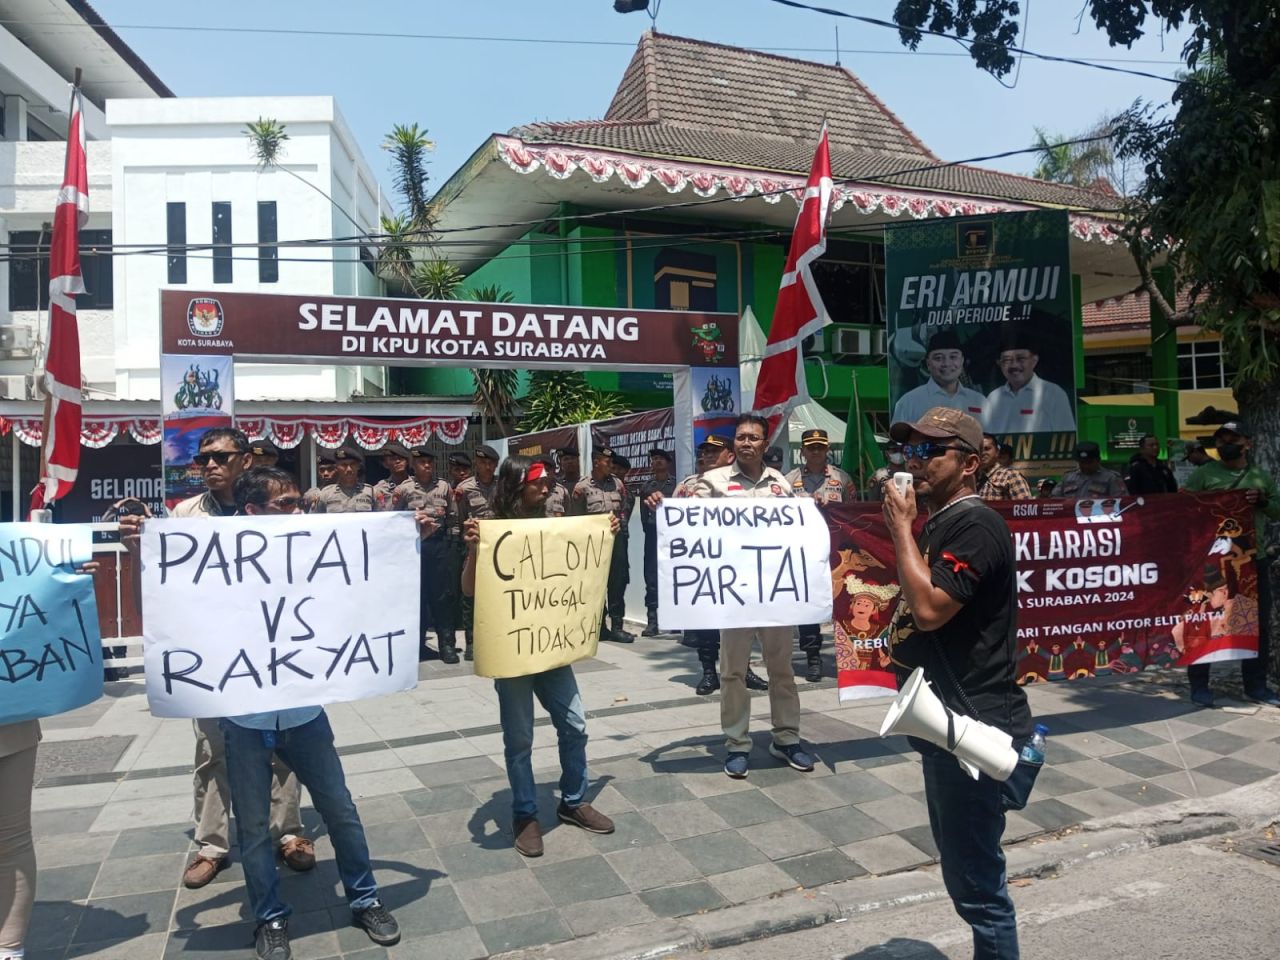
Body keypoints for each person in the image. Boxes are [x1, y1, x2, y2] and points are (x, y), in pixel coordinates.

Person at [127, 469, 400, 959]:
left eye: (300, 504)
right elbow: (173, 601)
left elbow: (362, 587)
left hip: (304, 716)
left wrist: (405, 542)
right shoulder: (222, 564)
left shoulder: (311, 556)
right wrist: (139, 553)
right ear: (252, 512)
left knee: (340, 810)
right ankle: (270, 917)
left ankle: (365, 898)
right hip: (246, 722)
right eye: (286, 505)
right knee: (252, 829)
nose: (298, 512)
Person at [881, 405, 1034, 960]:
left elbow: (929, 609)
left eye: (930, 451)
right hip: (945, 723)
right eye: (909, 449)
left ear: (969, 464)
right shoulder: (943, 519)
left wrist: (899, 527)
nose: (913, 461)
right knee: (965, 870)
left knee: (977, 886)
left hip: (973, 724)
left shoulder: (976, 524)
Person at [168, 428, 313, 889]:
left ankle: (289, 832)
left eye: (221, 456)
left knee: (282, 743)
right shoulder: (184, 516)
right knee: (213, 748)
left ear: (245, 460)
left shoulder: (282, 510)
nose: (210, 465)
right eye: (202, 459)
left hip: (276, 646)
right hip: (213, 653)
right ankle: (212, 843)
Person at [461, 456, 616, 858]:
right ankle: (525, 813)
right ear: (515, 485)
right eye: (538, 483)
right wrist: (476, 550)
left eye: (548, 482)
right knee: (520, 739)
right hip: (512, 652)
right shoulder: (490, 527)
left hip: (552, 649)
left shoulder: (556, 523)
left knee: (576, 725)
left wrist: (604, 534)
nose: (547, 489)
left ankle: (573, 801)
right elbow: (467, 589)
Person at [668, 414, 814, 778]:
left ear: (766, 445)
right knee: (732, 672)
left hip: (775, 594)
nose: (746, 443)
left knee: (782, 669)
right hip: (732, 595)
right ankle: (736, 743)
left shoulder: (781, 483)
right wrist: (665, 507)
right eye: (741, 437)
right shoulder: (712, 481)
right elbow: (688, 522)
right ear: (734, 444)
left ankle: (786, 738)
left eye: (754, 438)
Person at [1, 554, 100, 960]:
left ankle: (8, 947)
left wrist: (61, 581)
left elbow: (29, 596)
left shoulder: (14, 549)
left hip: (9, 716)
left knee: (9, 837)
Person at [1182, 421, 1280, 707]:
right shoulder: (1203, 475)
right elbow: (1185, 508)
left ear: (1247, 443)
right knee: (1204, 622)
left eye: (1232, 438)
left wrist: (1261, 501)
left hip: (1252, 562)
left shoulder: (1260, 476)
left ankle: (1256, 686)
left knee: (1253, 624)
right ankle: (1199, 686)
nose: (1226, 442)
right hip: (1211, 564)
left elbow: (1277, 509)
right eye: (1221, 438)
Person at [785, 428, 856, 682]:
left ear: (827, 450)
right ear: (802, 451)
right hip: (803, 552)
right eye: (811, 447)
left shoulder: (843, 478)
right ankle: (813, 656)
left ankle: (849, 655)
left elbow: (854, 515)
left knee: (844, 603)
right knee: (809, 606)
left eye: (820, 447)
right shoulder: (788, 480)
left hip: (837, 552)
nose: (815, 451)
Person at [393, 446, 461, 663]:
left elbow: (453, 518)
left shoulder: (443, 487)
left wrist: (452, 546)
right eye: (422, 462)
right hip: (415, 548)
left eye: (430, 462)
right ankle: (419, 645)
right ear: (414, 465)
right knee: (417, 598)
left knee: (442, 597)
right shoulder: (404, 489)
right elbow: (393, 519)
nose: (427, 466)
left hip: (440, 547)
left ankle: (447, 645)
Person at [573, 446, 635, 643]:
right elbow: (576, 516)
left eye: (611, 462)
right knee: (596, 584)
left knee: (618, 582)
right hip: (592, 543)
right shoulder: (581, 487)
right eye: (607, 462)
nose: (610, 465)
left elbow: (623, 509)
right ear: (596, 462)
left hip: (615, 539)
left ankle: (617, 626)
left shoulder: (617, 484)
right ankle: (600, 626)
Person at [454, 445, 501, 660]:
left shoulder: (504, 485)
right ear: (477, 463)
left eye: (491, 463)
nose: (487, 466)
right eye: (483, 462)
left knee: (496, 595)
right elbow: (459, 517)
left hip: (500, 549)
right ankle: (472, 642)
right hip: (474, 547)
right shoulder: (465, 489)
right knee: (471, 597)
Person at [892, 329, 987, 425]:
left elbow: (989, 438)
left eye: (953, 357)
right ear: (928, 363)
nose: (946, 363)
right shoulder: (908, 403)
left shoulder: (979, 401)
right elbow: (899, 438)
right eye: (938, 358)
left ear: (962, 360)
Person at [984, 337, 1076, 434]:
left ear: (1034, 360)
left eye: (1021, 359)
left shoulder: (1053, 394)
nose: (1014, 365)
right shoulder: (994, 397)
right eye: (1007, 360)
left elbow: (1067, 437)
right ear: (999, 364)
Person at [640, 448, 677, 637]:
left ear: (668, 463)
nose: (657, 462)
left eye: (661, 459)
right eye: (654, 459)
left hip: (672, 537)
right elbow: (643, 516)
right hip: (653, 536)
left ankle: (677, 620)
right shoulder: (647, 487)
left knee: (674, 576)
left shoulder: (676, 485)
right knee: (652, 578)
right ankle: (652, 621)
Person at [309, 447, 376, 513]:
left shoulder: (370, 492)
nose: (349, 469)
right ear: (337, 468)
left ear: (358, 466)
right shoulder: (325, 494)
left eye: (352, 464)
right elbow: (314, 519)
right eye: (344, 465)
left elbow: (381, 518)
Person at [1056, 441, 1127, 500]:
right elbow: (1053, 500)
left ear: (1098, 460)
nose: (1085, 466)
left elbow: (1122, 501)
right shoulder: (1068, 477)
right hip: (1071, 515)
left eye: (1089, 463)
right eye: (1082, 463)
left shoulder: (1111, 478)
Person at [977, 434, 1032, 501]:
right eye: (980, 449)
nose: (983, 453)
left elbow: (1024, 507)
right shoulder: (973, 477)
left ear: (997, 452)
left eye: (987, 449)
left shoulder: (1011, 476)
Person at [371, 442, 411, 511]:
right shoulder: (379, 489)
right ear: (385, 464)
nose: (398, 461)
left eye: (401, 458)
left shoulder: (417, 486)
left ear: (407, 461)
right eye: (393, 459)